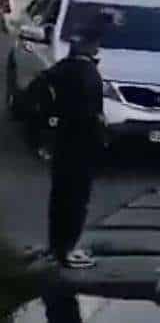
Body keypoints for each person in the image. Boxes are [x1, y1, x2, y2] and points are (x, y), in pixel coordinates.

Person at [31, 18, 105, 269]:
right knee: (75, 198)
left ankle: (56, 246)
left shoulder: (61, 68)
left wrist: (45, 128)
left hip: (63, 141)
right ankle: (67, 249)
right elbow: (91, 113)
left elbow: (37, 92)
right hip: (80, 144)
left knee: (61, 196)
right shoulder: (86, 73)